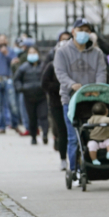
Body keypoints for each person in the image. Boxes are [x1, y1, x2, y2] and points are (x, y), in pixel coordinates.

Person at [54, 19, 107, 183]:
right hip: (70, 99)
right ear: (73, 31)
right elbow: (60, 73)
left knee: (91, 135)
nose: (83, 32)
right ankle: (74, 170)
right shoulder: (62, 52)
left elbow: (101, 72)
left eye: (87, 30)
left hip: (92, 99)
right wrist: (72, 85)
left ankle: (90, 167)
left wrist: (97, 88)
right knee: (73, 137)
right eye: (80, 29)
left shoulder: (97, 53)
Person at [0, 35, 24, 135]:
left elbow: (15, 62)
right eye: (0, 40)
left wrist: (6, 53)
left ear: (7, 41)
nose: (2, 41)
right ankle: (1, 126)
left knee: (12, 104)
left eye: (4, 39)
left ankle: (15, 124)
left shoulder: (10, 51)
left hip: (7, 79)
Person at [42, 38, 71, 170]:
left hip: (73, 102)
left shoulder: (73, 66)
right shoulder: (51, 66)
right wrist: (59, 87)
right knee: (62, 131)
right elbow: (44, 84)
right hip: (57, 104)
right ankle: (63, 158)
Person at [14, 46, 49, 145]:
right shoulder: (23, 67)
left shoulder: (43, 66)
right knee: (32, 118)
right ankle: (33, 137)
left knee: (43, 116)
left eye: (34, 52)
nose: (32, 55)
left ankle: (45, 134)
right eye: (30, 53)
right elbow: (16, 80)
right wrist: (21, 88)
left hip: (41, 96)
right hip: (28, 97)